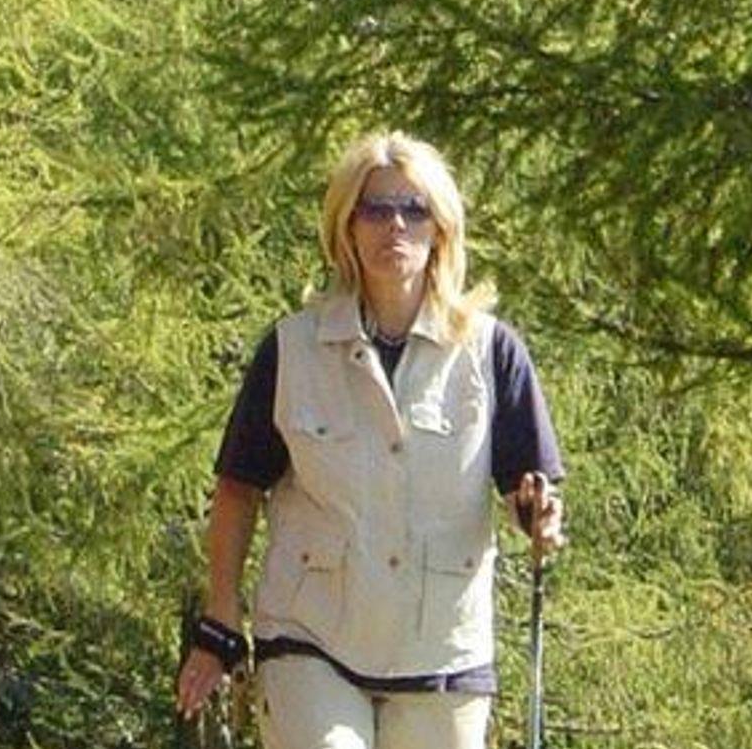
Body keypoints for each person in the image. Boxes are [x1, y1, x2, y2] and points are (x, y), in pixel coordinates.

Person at [174, 131, 565, 749]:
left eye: (414, 209)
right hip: (311, 641)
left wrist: (538, 517)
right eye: (376, 209)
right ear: (346, 227)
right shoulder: (292, 349)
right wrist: (222, 611)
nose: (395, 225)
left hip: (442, 657)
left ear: (441, 229)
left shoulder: (492, 352)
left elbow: (529, 488)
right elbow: (237, 488)